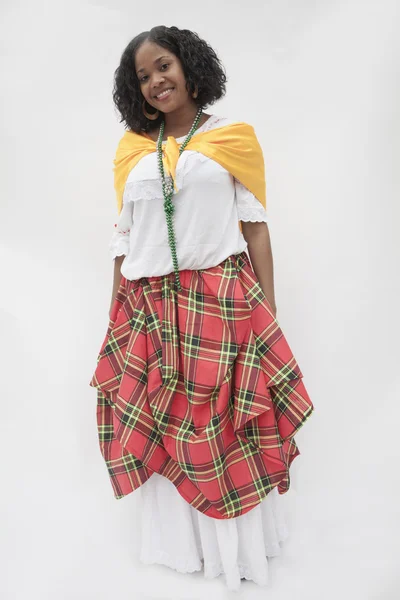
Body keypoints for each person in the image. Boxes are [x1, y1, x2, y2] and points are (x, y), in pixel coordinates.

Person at [89, 25, 314, 592]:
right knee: (168, 423)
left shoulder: (232, 137)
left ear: (189, 65)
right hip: (148, 307)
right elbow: (125, 238)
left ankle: (236, 554)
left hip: (219, 298)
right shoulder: (133, 151)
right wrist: (116, 314)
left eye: (163, 66)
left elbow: (255, 227)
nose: (155, 81)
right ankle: (183, 553)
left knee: (221, 427)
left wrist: (267, 309)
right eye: (142, 76)